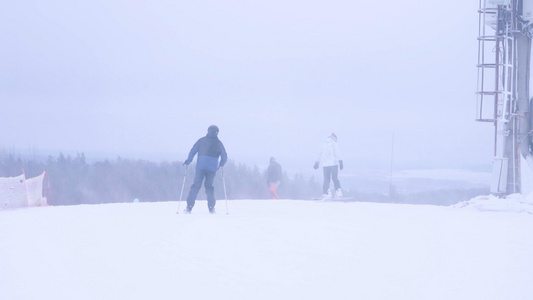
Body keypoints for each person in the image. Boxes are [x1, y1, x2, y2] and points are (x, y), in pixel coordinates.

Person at [183, 125, 228, 214]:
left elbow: (193, 151)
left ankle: (189, 208)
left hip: (200, 167)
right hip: (212, 169)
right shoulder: (219, 143)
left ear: (208, 131)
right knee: (209, 187)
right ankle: (211, 208)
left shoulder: (201, 140)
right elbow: (224, 156)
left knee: (195, 186)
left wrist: (188, 161)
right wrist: (222, 164)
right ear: (217, 132)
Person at [314, 133, 343, 200]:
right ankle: (338, 192)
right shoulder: (334, 144)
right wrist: (340, 161)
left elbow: (319, 154)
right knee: (335, 178)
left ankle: (326, 193)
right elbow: (337, 153)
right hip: (333, 164)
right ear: (335, 138)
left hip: (325, 165)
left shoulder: (323, 145)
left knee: (326, 180)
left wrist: (317, 162)